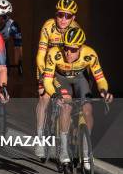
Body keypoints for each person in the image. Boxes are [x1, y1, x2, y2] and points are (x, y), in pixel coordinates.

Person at [43, 27, 113, 165]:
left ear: (81, 48)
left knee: (87, 109)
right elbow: (47, 80)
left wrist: (104, 91)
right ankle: (63, 149)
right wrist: (55, 95)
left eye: (73, 50)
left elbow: (100, 78)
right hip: (61, 78)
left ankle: (86, 150)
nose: (68, 53)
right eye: (66, 48)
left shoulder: (90, 54)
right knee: (66, 106)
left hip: (80, 78)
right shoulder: (54, 53)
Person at [34, 0, 80, 158]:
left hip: (63, 68)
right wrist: (46, 75)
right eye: (60, 15)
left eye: (68, 16)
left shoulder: (76, 29)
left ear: (73, 18)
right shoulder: (48, 26)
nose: (63, 19)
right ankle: (39, 137)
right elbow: (41, 54)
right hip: (46, 65)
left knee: (68, 102)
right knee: (44, 98)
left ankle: (65, 141)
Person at [0, 0, 22, 67]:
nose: (1, 20)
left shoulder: (12, 26)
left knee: (4, 64)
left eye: (5, 17)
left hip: (1, 45)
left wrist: (18, 65)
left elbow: (17, 47)